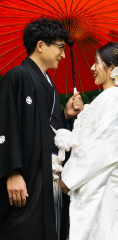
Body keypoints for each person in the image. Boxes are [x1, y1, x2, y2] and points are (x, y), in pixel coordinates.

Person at [0, 18, 83, 240]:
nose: (63, 55)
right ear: (40, 45)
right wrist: (13, 172)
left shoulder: (50, 86)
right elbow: (6, 125)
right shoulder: (16, 76)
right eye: (60, 47)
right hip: (25, 175)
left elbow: (49, 132)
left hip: (49, 176)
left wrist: (66, 116)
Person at [54, 42, 118, 240]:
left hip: (101, 194)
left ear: (112, 69)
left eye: (96, 63)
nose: (92, 68)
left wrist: (67, 180)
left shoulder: (112, 102)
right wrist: (78, 117)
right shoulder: (113, 104)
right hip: (104, 195)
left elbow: (101, 149)